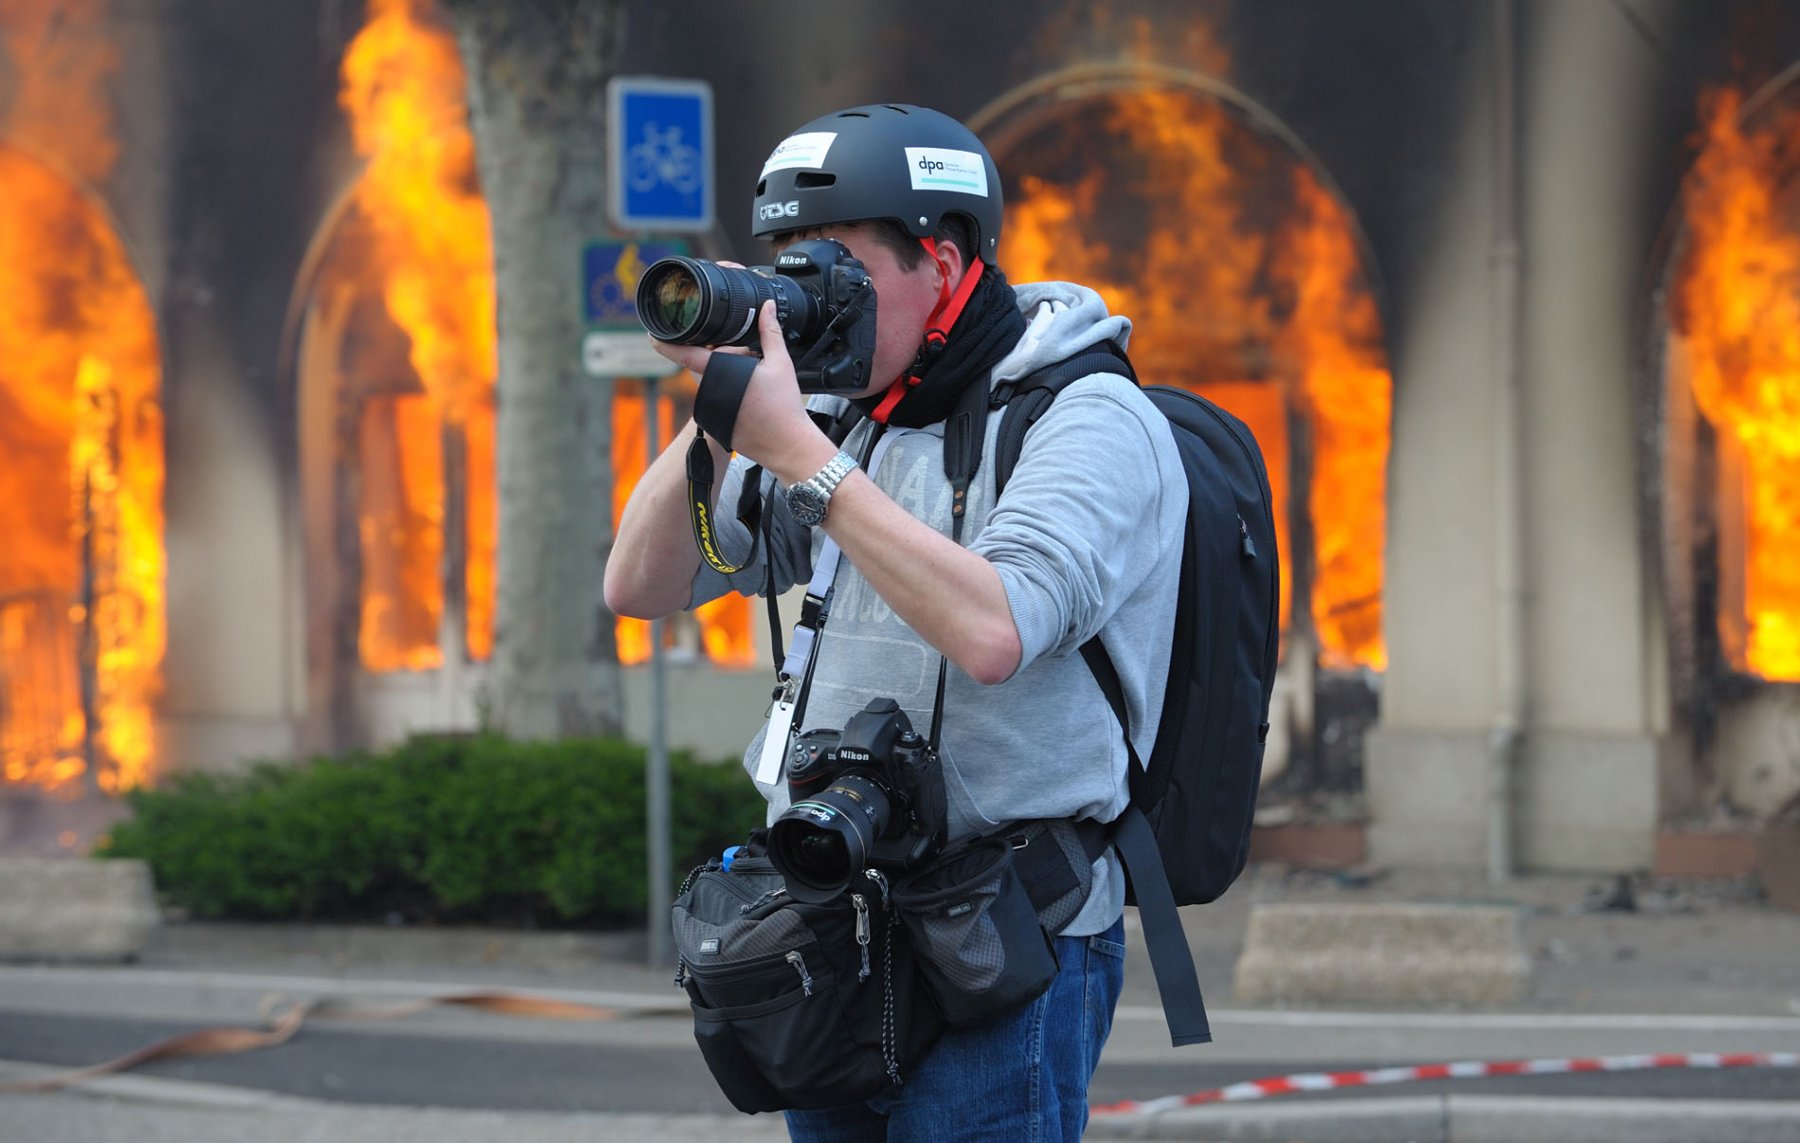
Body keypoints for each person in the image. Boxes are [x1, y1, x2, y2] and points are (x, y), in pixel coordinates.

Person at [604, 102, 1186, 1142]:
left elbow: (997, 630)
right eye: (787, 265)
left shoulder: (1087, 418)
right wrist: (722, 402)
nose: (807, 296)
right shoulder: (836, 418)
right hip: (836, 924)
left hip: (1011, 934)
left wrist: (803, 459)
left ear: (946, 258)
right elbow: (640, 586)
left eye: (835, 266)